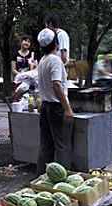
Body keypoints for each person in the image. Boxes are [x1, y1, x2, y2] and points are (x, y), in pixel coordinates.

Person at [36, 28, 74, 174]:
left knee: (46, 146)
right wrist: (67, 108)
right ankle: (64, 179)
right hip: (57, 108)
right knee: (63, 146)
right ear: (56, 44)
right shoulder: (55, 60)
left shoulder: (42, 61)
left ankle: (41, 177)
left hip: (45, 107)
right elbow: (56, 84)